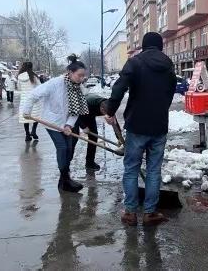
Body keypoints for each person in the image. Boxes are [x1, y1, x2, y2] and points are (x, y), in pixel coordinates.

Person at [105, 32, 176, 226]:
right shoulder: (169, 64)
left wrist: (110, 110)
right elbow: (170, 93)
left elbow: (119, 88)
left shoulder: (135, 63)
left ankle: (130, 212)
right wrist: (161, 110)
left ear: (144, 46)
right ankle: (150, 213)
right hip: (159, 126)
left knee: (131, 168)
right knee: (154, 170)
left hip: (136, 125)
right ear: (160, 46)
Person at [23, 55, 89, 193]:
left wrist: (69, 125)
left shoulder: (77, 88)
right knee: (63, 148)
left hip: (66, 123)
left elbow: (76, 111)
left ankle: (64, 180)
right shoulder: (54, 83)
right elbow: (33, 95)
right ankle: (65, 181)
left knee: (69, 149)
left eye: (83, 76)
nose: (82, 79)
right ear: (70, 73)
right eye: (79, 75)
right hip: (51, 121)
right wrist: (26, 111)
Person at [72, 94, 109, 171]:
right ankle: (66, 163)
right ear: (100, 108)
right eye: (103, 112)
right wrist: (83, 126)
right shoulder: (87, 103)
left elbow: (114, 123)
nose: (104, 115)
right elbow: (75, 115)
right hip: (75, 114)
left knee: (94, 136)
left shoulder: (109, 105)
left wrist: (119, 139)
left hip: (90, 114)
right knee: (74, 137)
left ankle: (90, 162)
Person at [18, 62, 41, 142]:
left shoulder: (20, 77)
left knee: (26, 117)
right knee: (36, 116)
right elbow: (40, 87)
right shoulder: (34, 76)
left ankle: (27, 135)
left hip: (24, 100)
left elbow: (18, 87)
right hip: (33, 99)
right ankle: (33, 131)